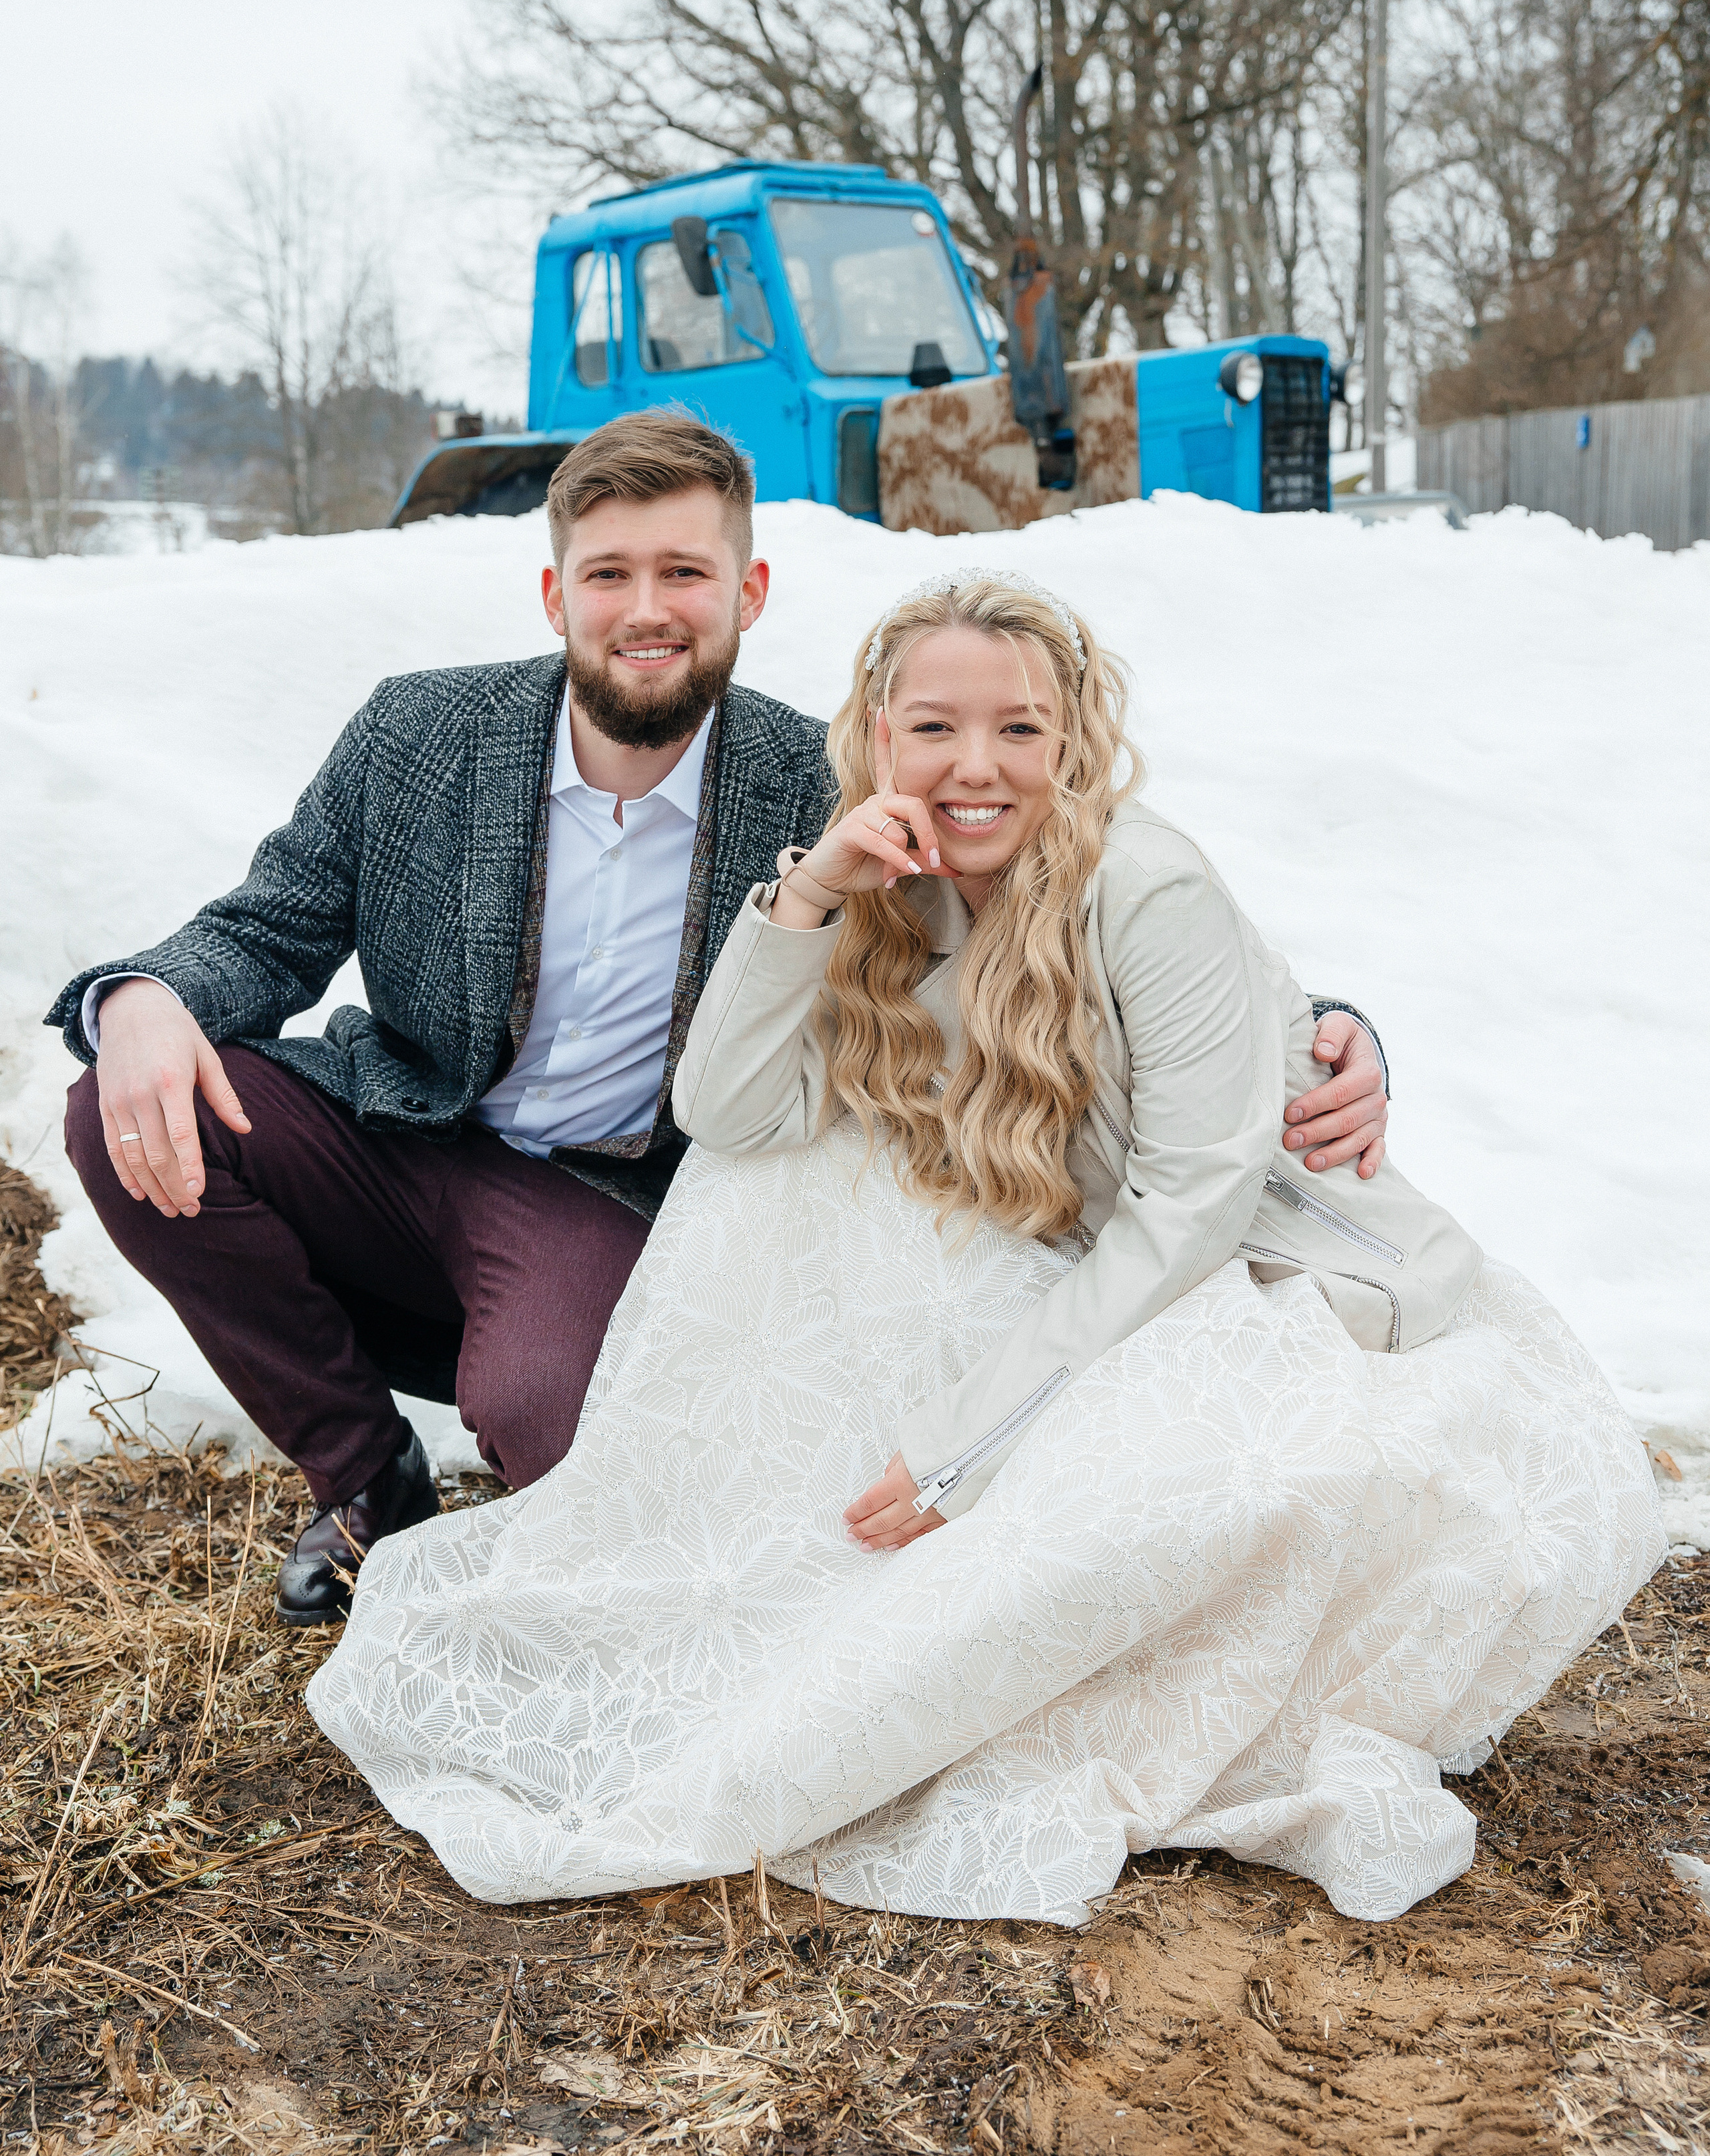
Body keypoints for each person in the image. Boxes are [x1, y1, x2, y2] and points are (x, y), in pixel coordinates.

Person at [305, 573, 1662, 1929]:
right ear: (875, 737)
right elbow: (725, 1114)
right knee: (777, 1179)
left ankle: (924, 1673)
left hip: (1263, 1286)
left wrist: (966, 1446)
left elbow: (1188, 1210)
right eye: (933, 728)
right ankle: (755, 1601)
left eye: (1018, 729)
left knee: (1127, 1498)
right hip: (1071, 1272)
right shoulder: (883, 889)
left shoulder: (1146, 884)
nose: (974, 767)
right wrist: (806, 896)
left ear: (1071, 743)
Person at [49, 426, 1384, 1628]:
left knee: (551, 1432)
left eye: (684, 573)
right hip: (407, 1129)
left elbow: (1059, 907)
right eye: (610, 573)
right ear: (555, 592)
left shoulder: (828, 786)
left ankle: (515, 1421)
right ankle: (363, 1475)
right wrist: (145, 999)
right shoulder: (418, 733)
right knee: (123, 1107)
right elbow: (269, 927)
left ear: (745, 595)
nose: (645, 610)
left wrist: (1319, 1026)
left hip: (606, 1197)